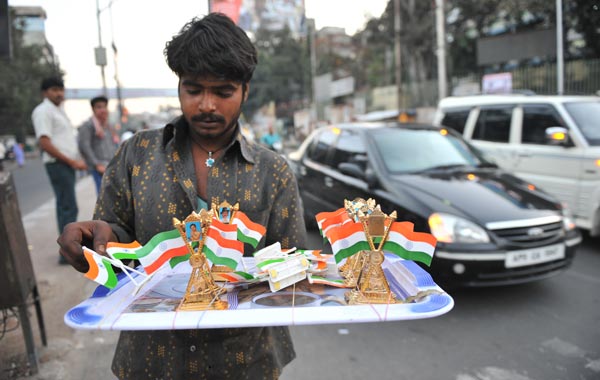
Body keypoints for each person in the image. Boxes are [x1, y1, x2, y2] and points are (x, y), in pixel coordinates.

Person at [57, 13, 307, 380]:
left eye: (223, 92)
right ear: (178, 86)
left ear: (245, 90)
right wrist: (97, 245)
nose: (207, 105)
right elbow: (116, 238)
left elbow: (293, 265)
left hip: (245, 360)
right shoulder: (136, 154)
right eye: (194, 90)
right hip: (152, 358)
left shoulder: (273, 171)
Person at [32, 76, 87, 264]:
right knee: (67, 207)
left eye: (61, 89)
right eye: (54, 89)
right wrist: (71, 162)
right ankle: (68, 253)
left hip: (64, 164)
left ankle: (68, 250)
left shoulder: (58, 110)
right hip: (58, 164)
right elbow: (45, 142)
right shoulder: (43, 111)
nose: (59, 93)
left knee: (66, 206)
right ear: (45, 93)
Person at [77, 95, 119, 194]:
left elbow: (114, 145)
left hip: (112, 166)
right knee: (104, 198)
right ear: (93, 109)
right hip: (100, 168)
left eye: (104, 106)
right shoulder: (88, 126)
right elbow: (84, 146)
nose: (103, 110)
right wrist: (97, 164)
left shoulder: (108, 126)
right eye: (99, 107)